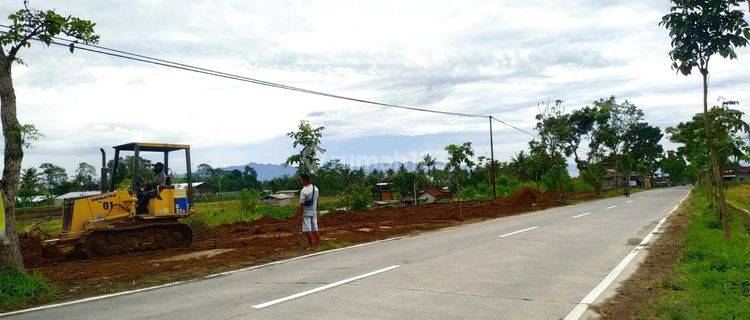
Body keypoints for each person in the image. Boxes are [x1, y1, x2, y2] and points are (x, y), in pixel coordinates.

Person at [298, 173, 320, 249]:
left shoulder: (303, 191)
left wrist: (301, 215)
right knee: (315, 228)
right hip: (314, 212)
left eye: (301, 180)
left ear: (305, 180)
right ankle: (318, 244)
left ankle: (311, 245)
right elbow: (317, 200)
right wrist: (316, 210)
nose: (300, 181)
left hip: (306, 213)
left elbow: (301, 204)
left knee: (308, 229)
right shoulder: (316, 188)